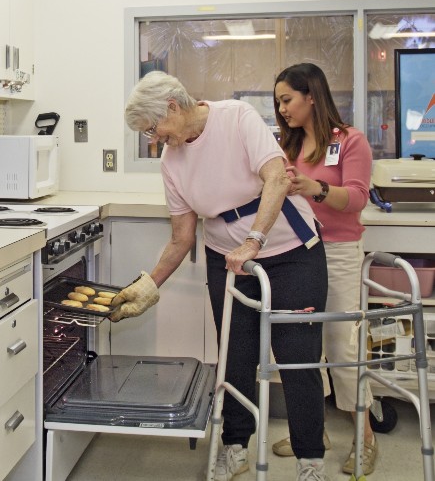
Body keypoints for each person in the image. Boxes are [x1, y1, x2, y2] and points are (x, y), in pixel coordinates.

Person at [110, 70, 329, 481]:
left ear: (173, 106)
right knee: (235, 355)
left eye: (153, 128)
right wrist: (147, 286)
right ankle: (234, 448)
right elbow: (181, 238)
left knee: (297, 357)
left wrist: (254, 241)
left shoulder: (237, 118)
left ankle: (310, 460)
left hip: (290, 253)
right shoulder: (171, 163)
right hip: (226, 258)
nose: (154, 140)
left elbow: (277, 178)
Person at [271, 63, 377, 476]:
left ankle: (364, 437)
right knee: (304, 349)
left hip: (338, 252)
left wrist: (313, 187)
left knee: (342, 346)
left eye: (287, 99)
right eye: (278, 102)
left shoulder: (350, 141)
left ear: (311, 96)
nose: (282, 109)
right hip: (298, 254)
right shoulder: (288, 145)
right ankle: (316, 433)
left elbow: (355, 199)